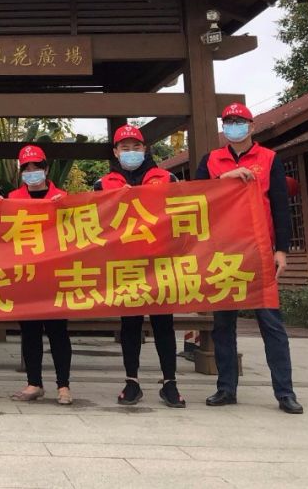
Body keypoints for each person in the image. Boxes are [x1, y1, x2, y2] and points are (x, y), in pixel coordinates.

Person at [197, 103, 304, 415]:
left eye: (239, 121)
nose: (234, 126)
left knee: (271, 324)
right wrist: (226, 177)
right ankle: (226, 388)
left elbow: (281, 206)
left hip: (259, 250)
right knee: (223, 324)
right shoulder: (211, 160)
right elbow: (197, 197)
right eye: (229, 121)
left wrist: (281, 249)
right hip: (223, 252)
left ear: (251, 126)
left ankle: (285, 392)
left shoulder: (269, 158)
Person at [93, 124, 186, 409]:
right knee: (130, 324)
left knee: (163, 324)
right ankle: (131, 382)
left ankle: (170, 383)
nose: (131, 152)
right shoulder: (102, 184)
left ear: (144, 149)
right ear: (115, 152)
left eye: (136, 147)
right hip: (125, 264)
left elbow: (183, 213)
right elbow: (91, 222)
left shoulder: (167, 178)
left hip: (160, 262)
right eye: (125, 148)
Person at [7, 144, 73, 406]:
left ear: (46, 169)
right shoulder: (13, 198)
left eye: (37, 167)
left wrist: (64, 211)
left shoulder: (63, 197)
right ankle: (34, 382)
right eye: (27, 168)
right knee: (30, 331)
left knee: (58, 332)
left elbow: (76, 233)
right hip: (27, 275)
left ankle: (63, 385)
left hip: (55, 275)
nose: (32, 172)